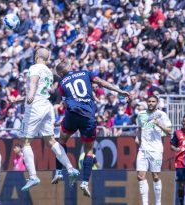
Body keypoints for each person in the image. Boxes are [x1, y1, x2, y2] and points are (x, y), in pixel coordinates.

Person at [54, 59, 131, 197]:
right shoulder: (85, 73)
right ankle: (84, 182)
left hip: (72, 114)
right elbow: (102, 83)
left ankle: (59, 172)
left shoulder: (62, 83)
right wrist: (119, 91)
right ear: (70, 66)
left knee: (61, 141)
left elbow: (64, 103)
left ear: (61, 73)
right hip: (88, 116)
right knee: (89, 150)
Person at [11, 48, 79, 192]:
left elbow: (34, 84)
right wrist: (22, 99)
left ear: (36, 56)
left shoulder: (34, 68)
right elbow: (43, 90)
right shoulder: (48, 71)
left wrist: (29, 95)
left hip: (35, 107)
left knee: (25, 142)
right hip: (46, 107)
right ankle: (70, 168)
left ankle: (33, 176)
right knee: (51, 141)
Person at [136, 95, 172, 205]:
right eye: (149, 101)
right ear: (147, 102)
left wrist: (160, 124)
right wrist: (137, 137)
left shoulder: (162, 115)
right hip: (143, 150)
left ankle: (158, 203)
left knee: (155, 176)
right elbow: (139, 128)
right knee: (140, 176)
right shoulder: (141, 114)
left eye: (153, 101)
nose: (151, 103)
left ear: (157, 103)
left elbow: (169, 132)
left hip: (156, 151)